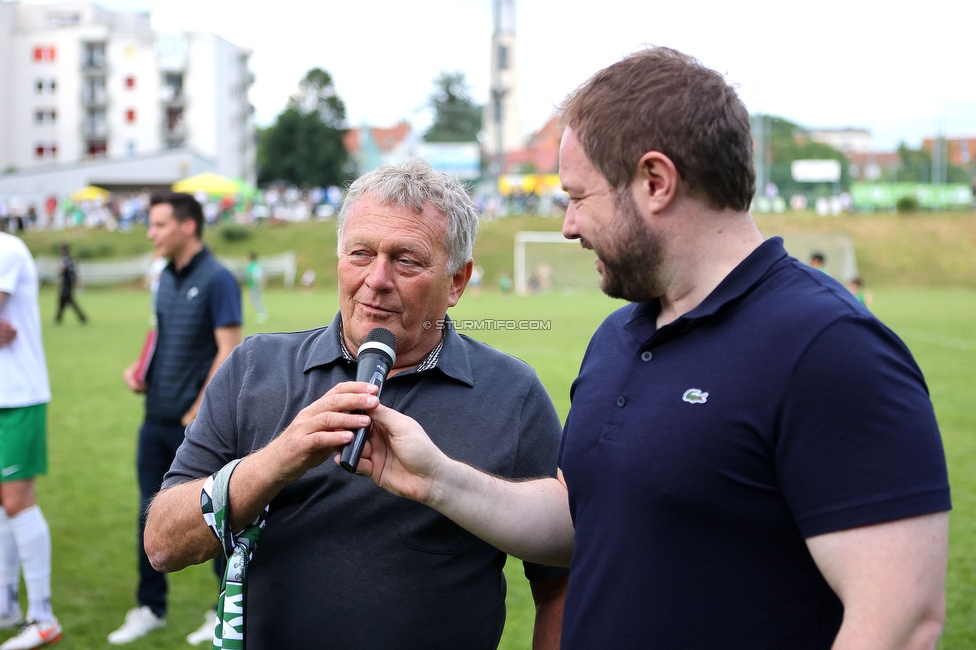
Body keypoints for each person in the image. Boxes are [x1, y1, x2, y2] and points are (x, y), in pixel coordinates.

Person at [352, 48, 951, 649]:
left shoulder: (830, 348)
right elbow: (582, 518)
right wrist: (438, 479)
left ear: (655, 183)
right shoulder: (620, 336)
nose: (566, 225)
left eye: (579, 197)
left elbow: (898, 621)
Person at [144, 159, 568, 649]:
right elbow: (162, 543)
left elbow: (559, 575)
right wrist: (275, 462)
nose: (377, 279)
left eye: (407, 259)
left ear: (457, 281)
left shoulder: (512, 394)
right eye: (360, 253)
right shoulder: (254, 369)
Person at [112, 192, 242, 645]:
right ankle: (150, 606)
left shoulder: (219, 279)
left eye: (159, 224)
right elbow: (159, 335)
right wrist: (140, 369)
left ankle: (223, 606)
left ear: (187, 226)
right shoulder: (163, 277)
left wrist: (200, 410)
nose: (151, 233)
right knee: (148, 514)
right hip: (155, 419)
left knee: (213, 515)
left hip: (199, 428)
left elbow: (229, 350)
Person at [0, 232, 62, 649]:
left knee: (16, 499)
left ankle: (43, 616)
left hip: (17, 396)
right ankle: (7, 604)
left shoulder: (6, 248)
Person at [54, 244, 86, 325]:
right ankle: (58, 318)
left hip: (67, 283)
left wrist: (76, 282)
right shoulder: (68, 259)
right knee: (63, 300)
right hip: (67, 283)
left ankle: (82, 317)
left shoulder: (66, 259)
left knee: (68, 300)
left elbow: (67, 271)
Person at [244, 252, 267, 323]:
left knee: (256, 299)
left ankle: (261, 313)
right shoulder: (252, 265)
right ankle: (260, 313)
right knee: (254, 299)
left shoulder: (254, 266)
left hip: (255, 285)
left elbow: (257, 276)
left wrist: (260, 284)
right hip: (253, 285)